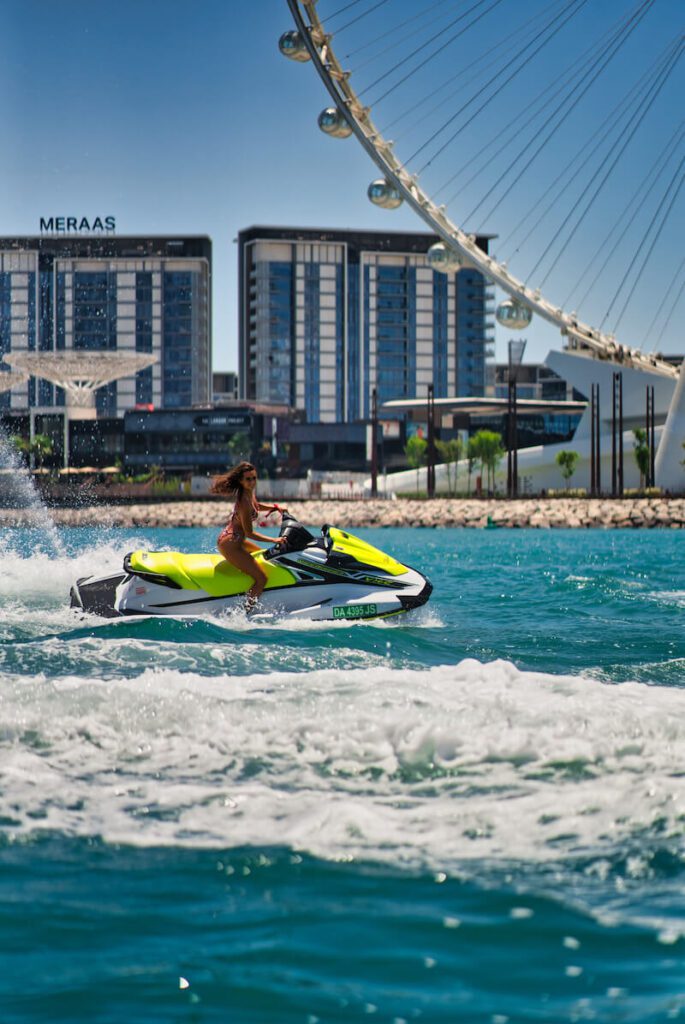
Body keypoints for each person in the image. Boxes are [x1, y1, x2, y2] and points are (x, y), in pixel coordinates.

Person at [211, 461, 287, 611]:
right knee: (262, 578)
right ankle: (244, 613)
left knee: (263, 556)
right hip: (231, 544)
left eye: (254, 478)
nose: (252, 482)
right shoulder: (244, 503)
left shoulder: (247, 493)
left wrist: (275, 508)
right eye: (248, 479)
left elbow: (257, 506)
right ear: (241, 481)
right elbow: (249, 533)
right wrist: (274, 539)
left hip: (235, 540)